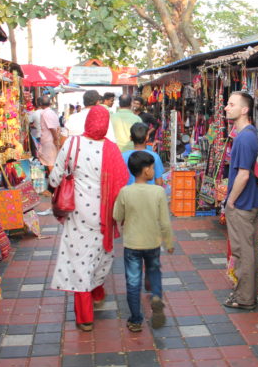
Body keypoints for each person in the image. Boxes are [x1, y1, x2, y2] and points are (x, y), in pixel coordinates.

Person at [48, 106, 128, 332]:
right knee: (100, 254)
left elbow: (55, 178)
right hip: (105, 215)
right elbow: (122, 183)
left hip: (78, 214)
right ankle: (98, 292)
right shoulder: (111, 149)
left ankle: (84, 317)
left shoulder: (72, 144)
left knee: (79, 260)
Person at [113, 151, 174, 331]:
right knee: (154, 272)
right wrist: (169, 243)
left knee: (133, 282)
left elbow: (116, 215)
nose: (154, 171)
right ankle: (156, 296)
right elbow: (165, 221)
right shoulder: (158, 192)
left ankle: (136, 320)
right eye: (153, 167)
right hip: (152, 242)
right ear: (146, 170)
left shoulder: (125, 191)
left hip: (132, 243)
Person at [222, 91, 258, 310]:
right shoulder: (251, 134)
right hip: (251, 200)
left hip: (242, 204)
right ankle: (248, 294)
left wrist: (230, 201)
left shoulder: (244, 138)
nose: (227, 107)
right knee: (250, 250)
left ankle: (245, 298)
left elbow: (244, 174)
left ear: (244, 110)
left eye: (231, 104)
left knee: (243, 252)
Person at [37, 95, 61, 174]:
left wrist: (56, 139)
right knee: (50, 162)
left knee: (50, 163)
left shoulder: (46, 113)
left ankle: (53, 183)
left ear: (40, 104)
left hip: (49, 141)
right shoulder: (51, 112)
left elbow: (52, 128)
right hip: (50, 141)